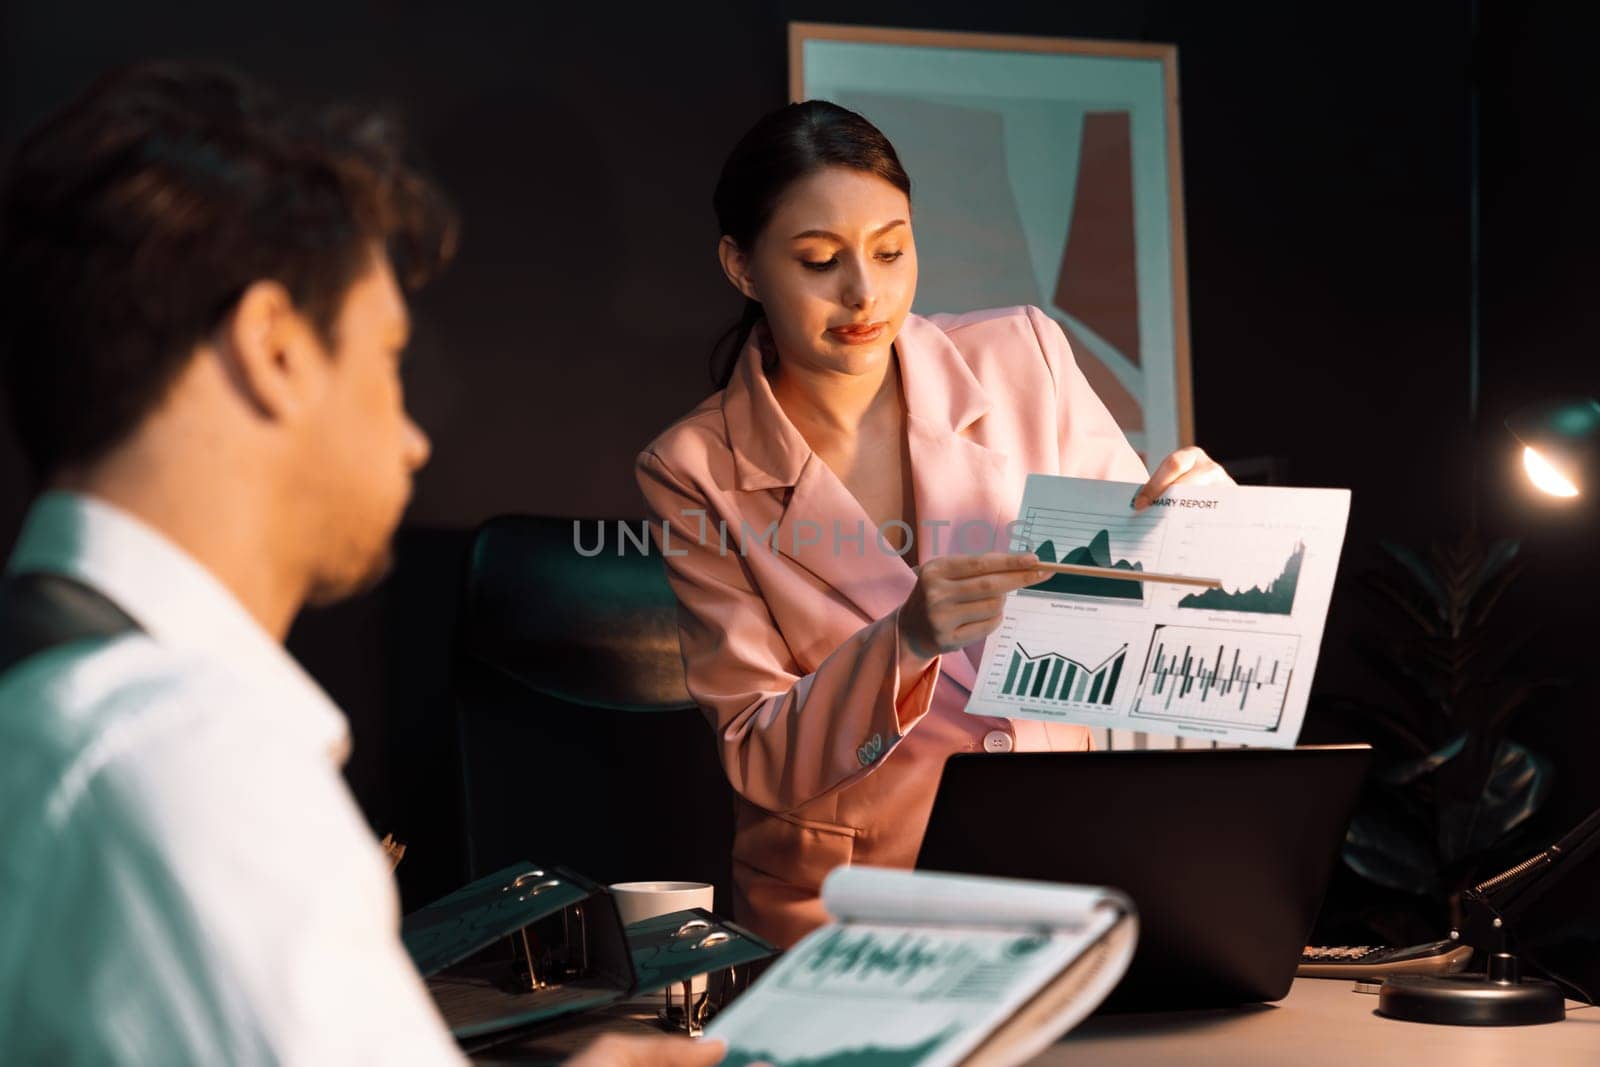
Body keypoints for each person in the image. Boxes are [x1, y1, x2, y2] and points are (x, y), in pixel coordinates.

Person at [0, 64, 721, 1067]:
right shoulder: (192, 761)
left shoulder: (46, 712)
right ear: (275, 349)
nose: (414, 438)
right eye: (386, 359)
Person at [635, 101, 1234, 948]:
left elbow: (1143, 618)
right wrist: (904, 640)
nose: (864, 293)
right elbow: (759, 751)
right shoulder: (695, 468)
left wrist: (1195, 528)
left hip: (1063, 886)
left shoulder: (1025, 355)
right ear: (741, 266)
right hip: (855, 915)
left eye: (890, 249)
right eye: (818, 260)